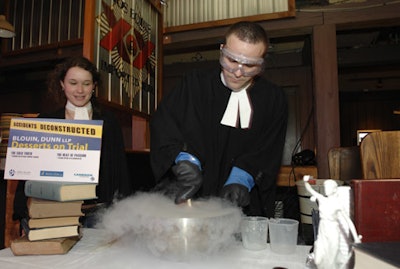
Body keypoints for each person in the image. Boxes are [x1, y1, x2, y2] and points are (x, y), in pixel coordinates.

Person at [150, 21, 288, 217]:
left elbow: (268, 149)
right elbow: (164, 125)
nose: (238, 72)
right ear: (222, 51)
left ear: (262, 63)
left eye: (249, 65)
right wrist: (184, 160)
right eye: (232, 61)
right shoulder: (194, 84)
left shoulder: (274, 99)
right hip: (188, 200)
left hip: (241, 208)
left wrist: (242, 178)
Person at [13, 56, 133, 226]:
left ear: (94, 86)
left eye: (86, 83)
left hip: (99, 212)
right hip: (56, 210)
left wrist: (124, 209)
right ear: (62, 84)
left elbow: (120, 169)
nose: (80, 90)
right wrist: (22, 210)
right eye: (73, 83)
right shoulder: (46, 120)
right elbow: (29, 170)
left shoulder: (109, 121)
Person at [303, 176, 362, 269]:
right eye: (325, 187)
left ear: (334, 189)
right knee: (318, 260)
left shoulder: (337, 204)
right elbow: (309, 189)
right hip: (323, 229)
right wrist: (306, 181)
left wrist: (355, 238)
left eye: (328, 187)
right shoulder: (322, 199)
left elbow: (348, 221)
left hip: (333, 230)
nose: (326, 189)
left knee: (332, 259)